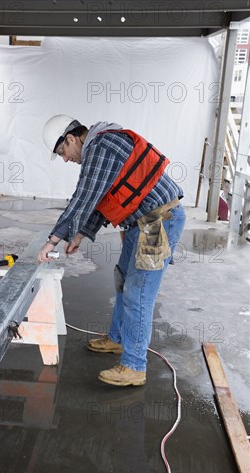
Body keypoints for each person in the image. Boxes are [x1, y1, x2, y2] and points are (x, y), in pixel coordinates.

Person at [37, 114, 186, 387]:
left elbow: (84, 196)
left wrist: (52, 240)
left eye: (62, 152)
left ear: (71, 139)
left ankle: (134, 366)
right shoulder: (99, 148)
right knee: (123, 281)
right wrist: (80, 233)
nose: (66, 159)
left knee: (138, 292)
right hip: (138, 223)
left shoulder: (101, 147)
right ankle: (117, 339)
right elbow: (101, 199)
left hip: (158, 222)